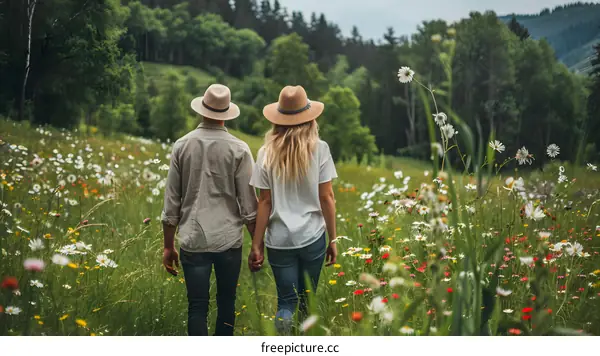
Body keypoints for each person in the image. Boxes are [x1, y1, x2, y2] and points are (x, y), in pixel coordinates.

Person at [161, 84, 258, 336]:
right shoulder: (240, 149)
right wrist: (257, 245)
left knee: (196, 307)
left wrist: (168, 245)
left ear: (202, 110)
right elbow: (249, 206)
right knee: (227, 302)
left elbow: (172, 201)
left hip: (192, 239)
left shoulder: (182, 145)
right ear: (226, 114)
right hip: (228, 241)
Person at [248, 85, 338, 334]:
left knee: (286, 302)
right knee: (307, 304)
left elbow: (264, 202)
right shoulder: (320, 149)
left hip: (279, 241)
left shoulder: (266, 152)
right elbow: (326, 197)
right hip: (312, 236)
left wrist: (257, 245)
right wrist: (333, 239)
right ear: (309, 117)